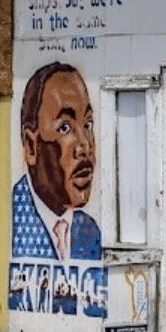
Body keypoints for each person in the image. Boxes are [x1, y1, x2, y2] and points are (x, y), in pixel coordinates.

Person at [11, 62, 102, 261]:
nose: (85, 147)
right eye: (64, 128)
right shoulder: (10, 222)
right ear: (31, 146)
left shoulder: (90, 231)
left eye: (88, 124)